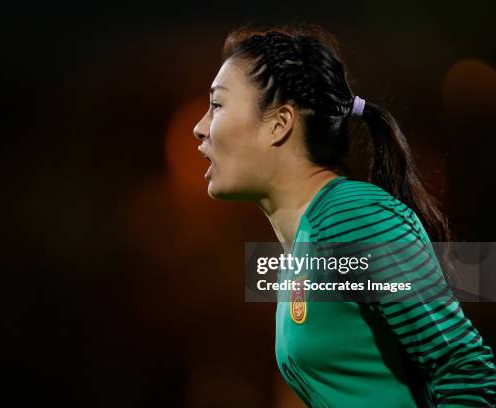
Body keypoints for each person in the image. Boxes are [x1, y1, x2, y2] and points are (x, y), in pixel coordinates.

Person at [192, 24, 496, 407]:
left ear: (279, 123)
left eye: (217, 105)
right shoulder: (304, 244)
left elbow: (465, 369)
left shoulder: (350, 216)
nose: (199, 127)